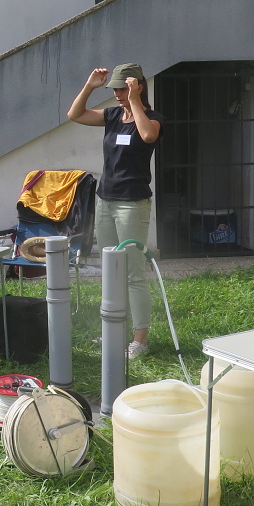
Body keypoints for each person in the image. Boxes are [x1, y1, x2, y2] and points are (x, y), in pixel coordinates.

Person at [67, 63, 162, 358]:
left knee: (132, 272)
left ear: (138, 87)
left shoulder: (153, 119)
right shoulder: (111, 116)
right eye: (115, 89)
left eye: (123, 89)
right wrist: (90, 86)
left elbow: (148, 136)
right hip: (105, 201)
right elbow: (75, 114)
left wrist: (135, 101)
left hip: (132, 204)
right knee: (111, 270)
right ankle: (114, 332)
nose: (118, 94)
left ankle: (140, 340)